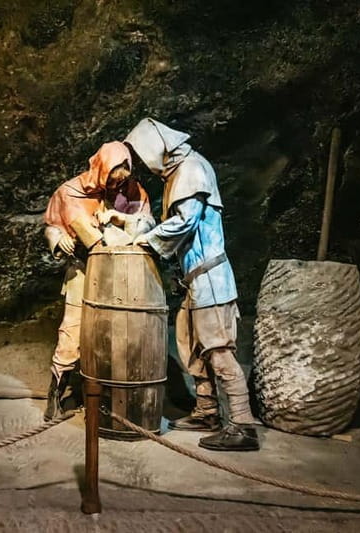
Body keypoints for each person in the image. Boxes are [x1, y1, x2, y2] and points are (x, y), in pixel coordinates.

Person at [105, 118, 259, 451]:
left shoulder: (191, 169)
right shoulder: (179, 172)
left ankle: (243, 425)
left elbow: (185, 222)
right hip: (194, 281)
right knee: (191, 348)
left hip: (211, 279)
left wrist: (146, 240)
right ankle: (207, 412)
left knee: (218, 351)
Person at [42, 141, 150, 420]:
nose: (116, 188)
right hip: (82, 271)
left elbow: (147, 225)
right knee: (72, 334)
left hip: (121, 277)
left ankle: (107, 401)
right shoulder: (69, 192)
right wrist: (59, 239)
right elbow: (52, 224)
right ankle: (56, 394)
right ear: (101, 170)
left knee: (113, 339)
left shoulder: (135, 192)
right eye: (112, 182)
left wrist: (122, 220)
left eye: (120, 183)